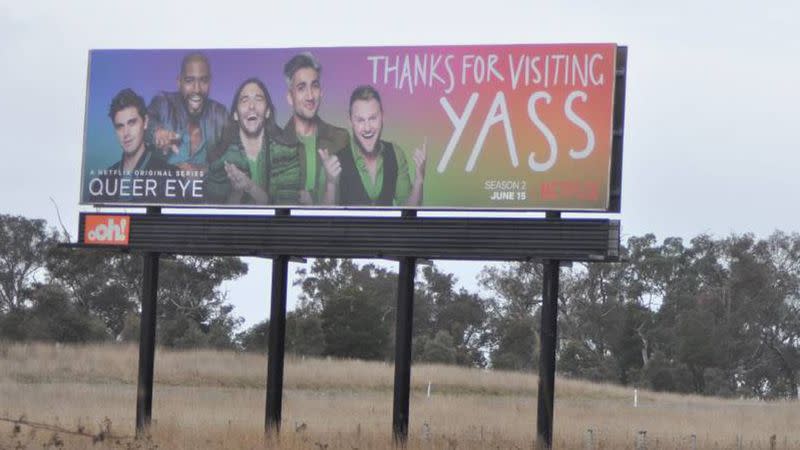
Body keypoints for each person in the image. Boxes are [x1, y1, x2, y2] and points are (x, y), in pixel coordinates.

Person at [205, 78, 301, 205]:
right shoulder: (220, 161)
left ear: (267, 112)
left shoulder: (287, 155)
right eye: (244, 100)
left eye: (258, 99)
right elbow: (216, 217)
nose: (251, 106)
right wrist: (236, 193)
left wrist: (250, 187)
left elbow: (286, 211)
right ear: (235, 115)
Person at [335, 85, 426, 206]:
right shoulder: (336, 161)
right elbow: (324, 220)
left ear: (382, 117)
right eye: (360, 120)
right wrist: (330, 184)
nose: (367, 128)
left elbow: (408, 213)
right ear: (350, 121)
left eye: (372, 118)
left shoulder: (396, 153)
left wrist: (419, 180)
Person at [278, 52, 348, 205]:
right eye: (301, 88)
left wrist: (314, 198)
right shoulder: (277, 143)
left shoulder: (340, 138)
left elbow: (346, 196)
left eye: (314, 86)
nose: (310, 96)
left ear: (321, 92)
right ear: (290, 97)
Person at [86, 88, 174, 202]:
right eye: (120, 126)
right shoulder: (102, 182)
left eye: (132, 123)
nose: (126, 133)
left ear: (146, 122)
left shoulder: (169, 176)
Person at [146, 52, 227, 172]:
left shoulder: (220, 114)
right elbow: (144, 124)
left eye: (203, 80)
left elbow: (234, 152)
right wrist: (157, 132)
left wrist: (204, 170)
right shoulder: (163, 102)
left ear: (209, 82)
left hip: (205, 190)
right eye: (189, 80)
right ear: (179, 82)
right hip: (163, 189)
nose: (197, 89)